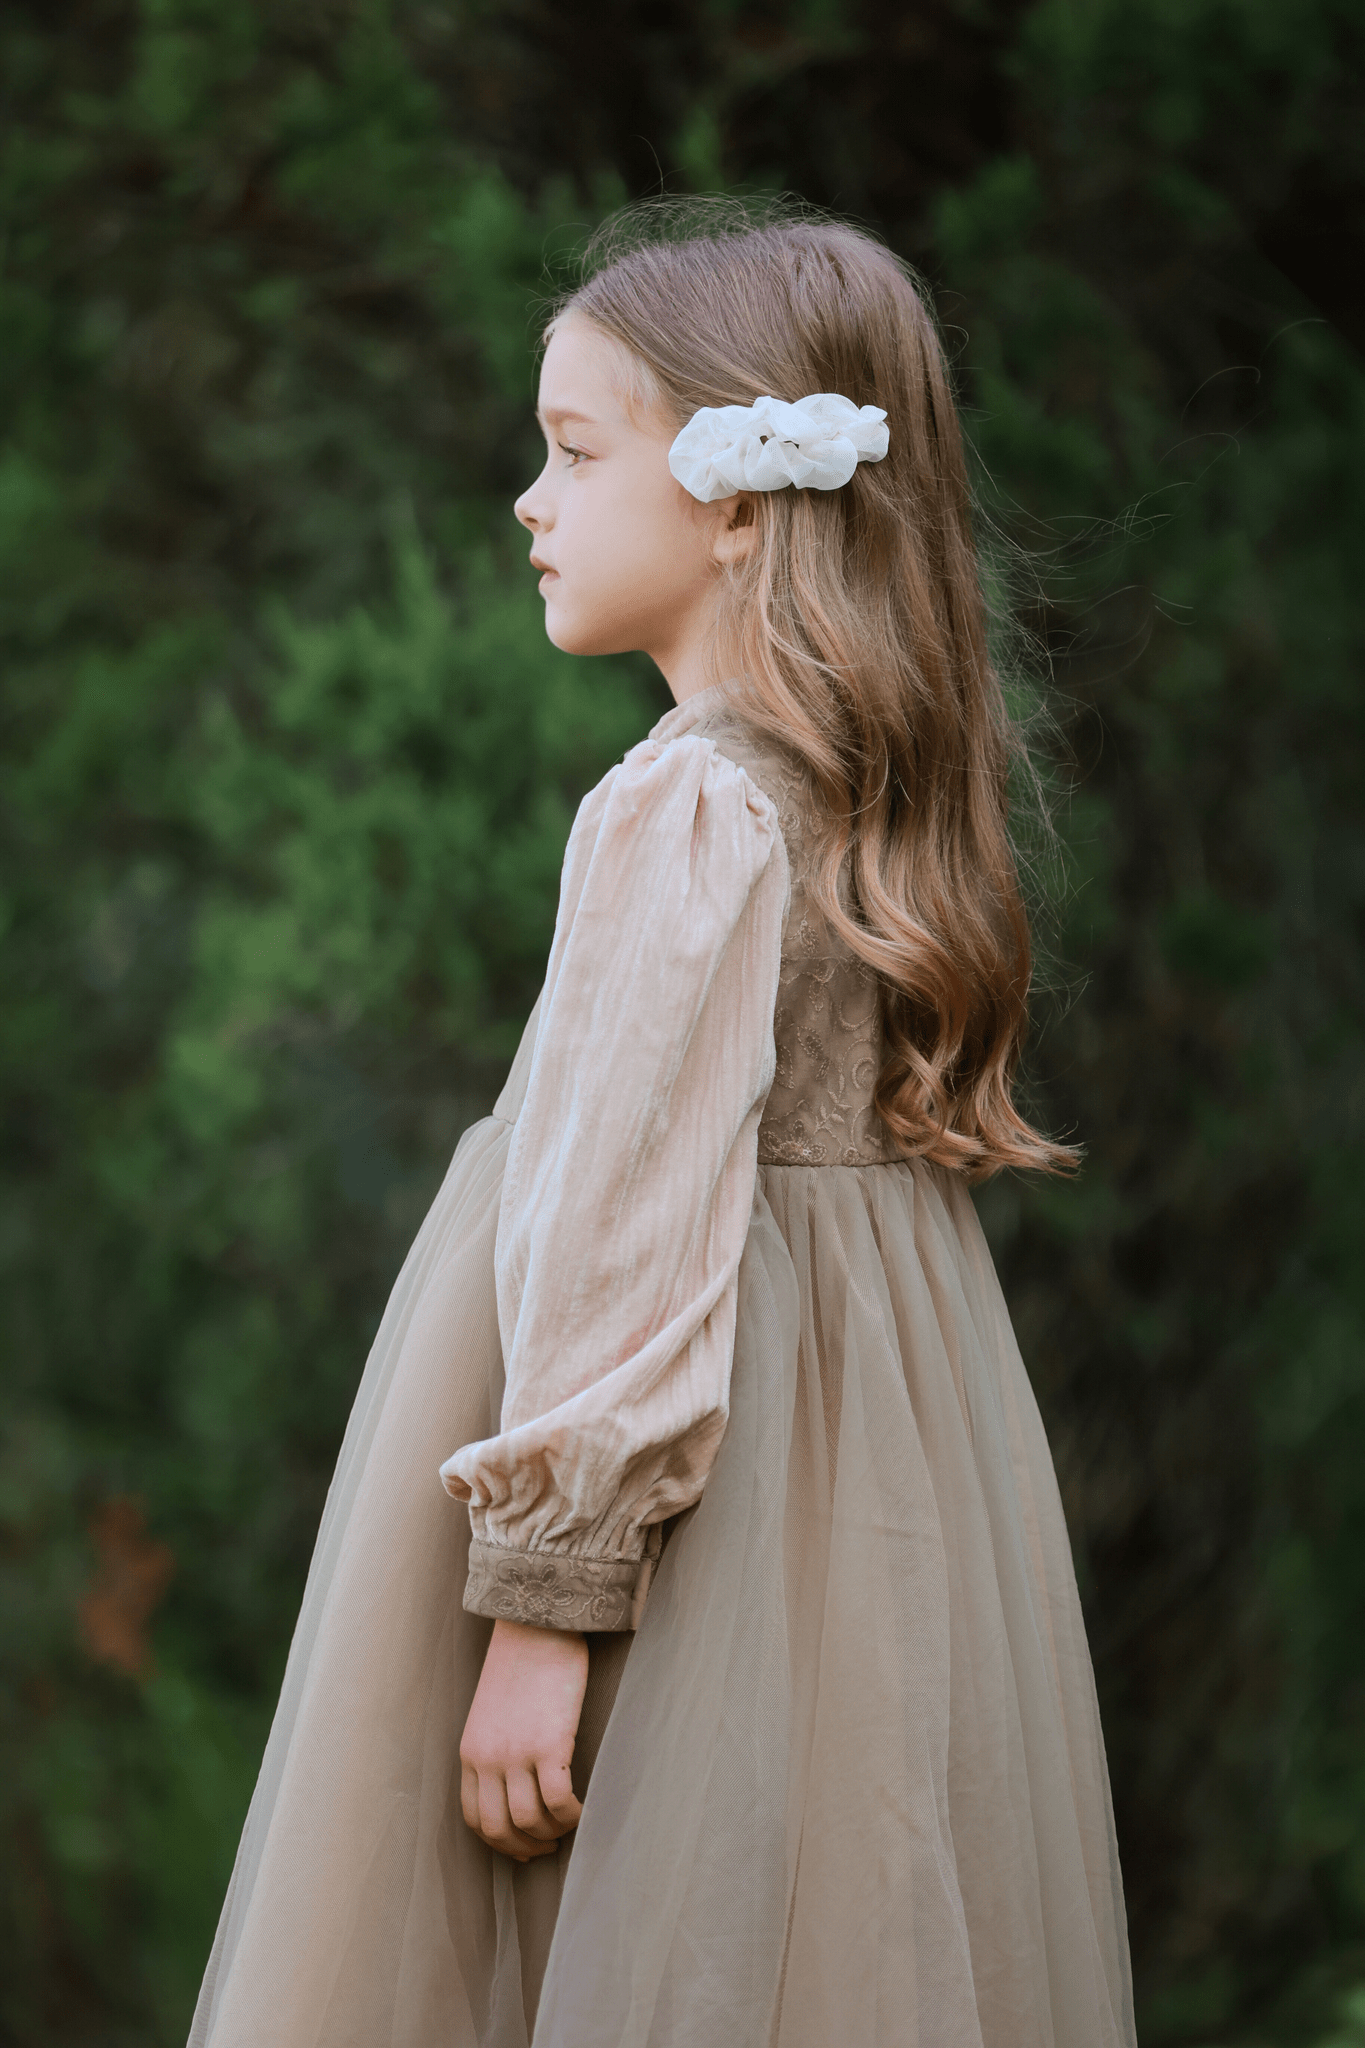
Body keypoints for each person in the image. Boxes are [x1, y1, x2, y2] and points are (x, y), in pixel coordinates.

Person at [190, 205, 1136, 2048]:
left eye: (571, 451)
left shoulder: (685, 811)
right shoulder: (857, 805)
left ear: (732, 499)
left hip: (666, 1530)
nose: (529, 503)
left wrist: (540, 1613)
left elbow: (632, 1222)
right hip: (858, 1511)